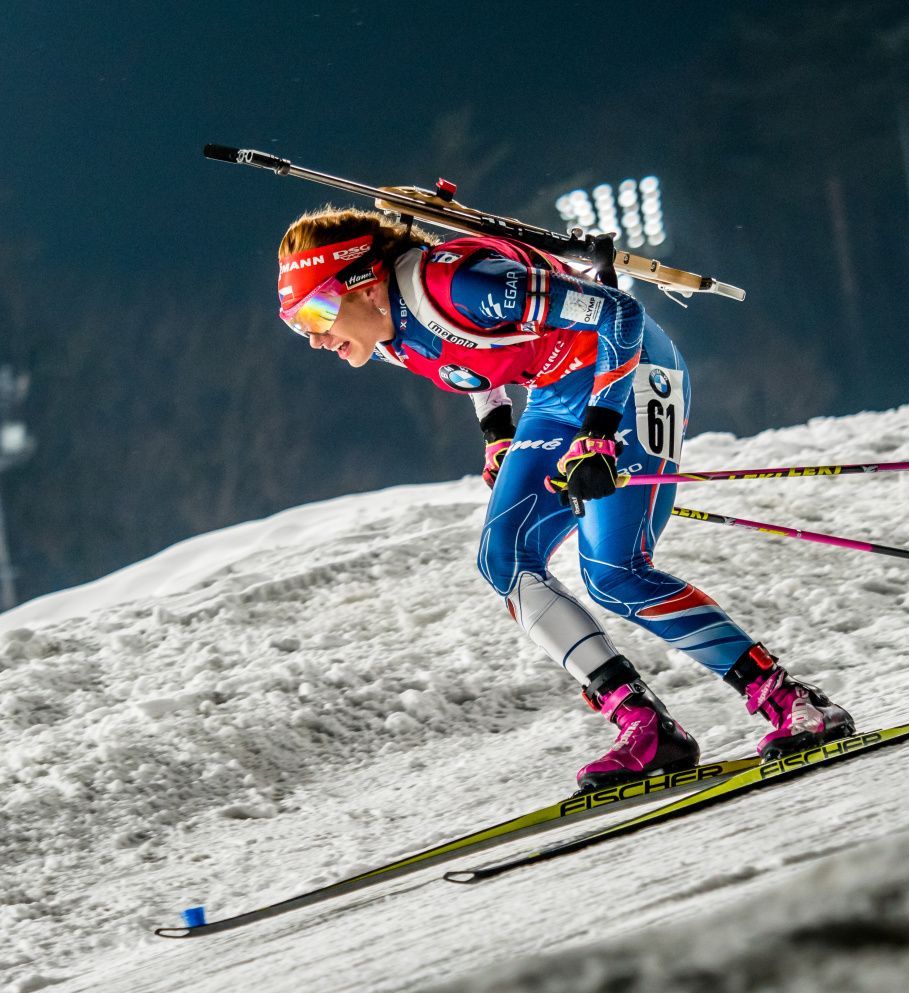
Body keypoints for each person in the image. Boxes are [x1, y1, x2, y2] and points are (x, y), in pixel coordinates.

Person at [276, 205, 853, 792]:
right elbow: (470, 360)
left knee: (613, 573)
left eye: (317, 313)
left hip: (628, 375)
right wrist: (499, 434)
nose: (316, 338)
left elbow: (619, 313)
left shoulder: (463, 283)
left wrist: (600, 433)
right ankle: (645, 728)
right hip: (554, 395)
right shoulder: (385, 333)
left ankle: (790, 700)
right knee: (505, 559)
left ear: (366, 284)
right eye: (298, 325)